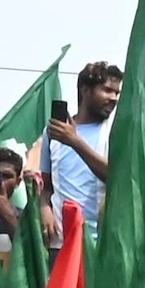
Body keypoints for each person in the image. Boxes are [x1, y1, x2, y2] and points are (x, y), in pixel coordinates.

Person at [46, 62, 119, 229]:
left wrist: (75, 141)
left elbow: (116, 177)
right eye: (107, 90)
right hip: (61, 242)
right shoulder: (55, 131)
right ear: (85, 90)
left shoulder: (115, 131)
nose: (114, 98)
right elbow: (46, 185)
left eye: (117, 92)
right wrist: (45, 209)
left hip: (99, 241)